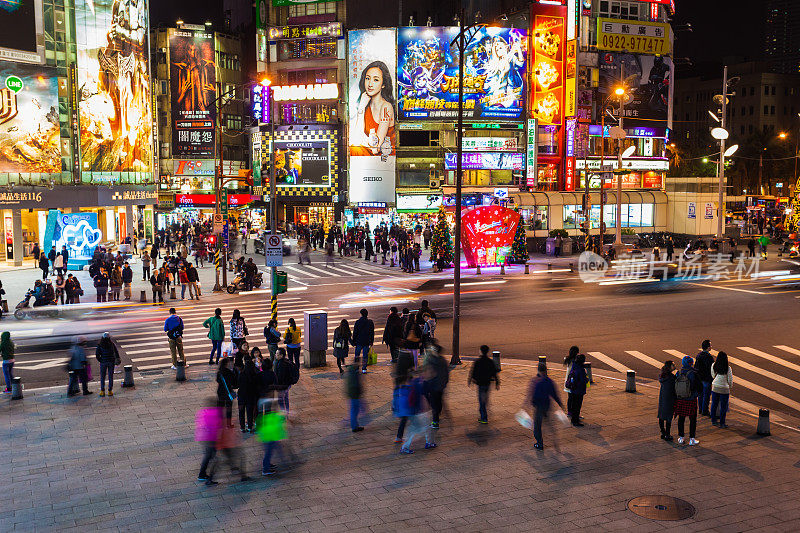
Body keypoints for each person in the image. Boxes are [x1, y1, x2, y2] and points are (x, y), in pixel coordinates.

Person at [528, 361, 564, 450]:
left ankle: (539, 443)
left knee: (537, 426)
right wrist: (560, 404)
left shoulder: (536, 381)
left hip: (539, 406)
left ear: (538, 370)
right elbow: (555, 394)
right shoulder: (550, 381)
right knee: (548, 422)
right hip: (547, 405)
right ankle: (555, 439)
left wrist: (532, 403)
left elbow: (534, 395)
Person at [398, 374, 436, 454]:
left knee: (424, 427)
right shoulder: (420, 384)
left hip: (413, 411)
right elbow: (423, 397)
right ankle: (405, 447)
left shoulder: (412, 384)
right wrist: (426, 408)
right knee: (418, 428)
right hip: (419, 411)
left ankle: (429, 442)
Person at [674, 355, 701, 446]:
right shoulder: (693, 373)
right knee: (692, 419)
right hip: (691, 398)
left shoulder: (679, 372)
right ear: (691, 363)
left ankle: (681, 438)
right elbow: (698, 386)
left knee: (681, 418)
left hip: (681, 399)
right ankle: (692, 439)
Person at [468, 345, 499, 424]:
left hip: (480, 383)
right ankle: (484, 411)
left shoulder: (478, 361)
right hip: (487, 383)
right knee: (484, 398)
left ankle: (484, 417)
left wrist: (471, 380)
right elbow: (494, 372)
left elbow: (473, 372)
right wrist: (497, 382)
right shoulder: (490, 361)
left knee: (481, 400)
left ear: (481, 351)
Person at [257, 399, 288, 476]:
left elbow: (257, 426)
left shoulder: (261, 416)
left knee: (269, 452)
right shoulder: (274, 416)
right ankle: (266, 470)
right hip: (271, 438)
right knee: (269, 453)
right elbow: (282, 419)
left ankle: (268, 465)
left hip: (265, 438)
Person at [196, 399, 224, 485]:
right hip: (211, 438)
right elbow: (216, 426)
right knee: (213, 458)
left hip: (205, 438)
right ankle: (205, 477)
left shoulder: (205, 412)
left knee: (208, 456)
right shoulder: (215, 413)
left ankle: (203, 474)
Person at [424, 343, 449, 429]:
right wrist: (445, 382)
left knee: (434, 403)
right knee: (439, 401)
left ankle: (435, 421)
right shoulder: (443, 360)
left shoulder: (431, 360)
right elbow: (446, 373)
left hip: (433, 385)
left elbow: (428, 372)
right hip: (441, 385)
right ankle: (437, 415)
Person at [710, 351, 733, 428]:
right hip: (724, 389)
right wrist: (730, 386)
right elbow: (730, 380)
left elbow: (713, 375)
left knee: (714, 404)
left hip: (715, 387)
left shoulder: (714, 365)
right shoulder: (728, 368)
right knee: (723, 407)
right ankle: (722, 423)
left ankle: (713, 421)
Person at [237, 357, 260, 433]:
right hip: (251, 396)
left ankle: (242, 427)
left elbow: (238, 384)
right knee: (250, 412)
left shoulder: (242, 374)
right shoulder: (255, 375)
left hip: (241, 396)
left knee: (241, 412)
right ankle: (250, 427)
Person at [565, 353, 588, 426]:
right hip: (579, 390)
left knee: (574, 405)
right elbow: (582, 381)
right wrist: (586, 379)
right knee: (577, 406)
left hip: (573, 389)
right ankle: (575, 421)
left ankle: (574, 419)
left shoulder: (574, 366)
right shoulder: (581, 370)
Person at [95, 332, 120, 397]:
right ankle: (110, 391)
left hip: (103, 362)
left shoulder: (100, 345)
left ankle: (102, 391)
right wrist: (117, 358)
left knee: (102, 377)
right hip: (111, 362)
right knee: (110, 376)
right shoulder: (112, 344)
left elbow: (97, 355)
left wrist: (100, 360)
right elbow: (116, 352)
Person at [658, 360, 677, 441]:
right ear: (670, 367)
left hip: (662, 397)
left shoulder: (662, 375)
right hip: (670, 398)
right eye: (673, 365)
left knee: (661, 415)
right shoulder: (671, 377)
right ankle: (668, 434)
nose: (675, 365)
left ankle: (663, 432)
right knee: (669, 416)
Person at [345, 356, 365, 432]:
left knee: (354, 410)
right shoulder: (354, 371)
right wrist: (359, 391)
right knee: (354, 410)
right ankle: (354, 427)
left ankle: (355, 425)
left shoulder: (352, 369)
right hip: (354, 393)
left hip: (352, 393)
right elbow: (355, 383)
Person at [216, 358, 238, 427]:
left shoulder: (219, 372)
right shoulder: (230, 372)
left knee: (220, 407)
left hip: (220, 391)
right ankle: (228, 424)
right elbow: (235, 383)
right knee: (229, 408)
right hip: (228, 392)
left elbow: (218, 380)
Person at [695, 339, 714, 416]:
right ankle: (705, 410)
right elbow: (711, 369)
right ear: (707, 347)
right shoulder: (709, 357)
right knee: (706, 396)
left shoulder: (699, 355)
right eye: (710, 345)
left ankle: (700, 409)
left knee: (700, 395)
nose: (711, 347)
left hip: (700, 379)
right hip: (706, 379)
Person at [352, 308, 375, 374]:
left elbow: (355, 332)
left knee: (357, 355)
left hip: (359, 341)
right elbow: (372, 333)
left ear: (361, 314)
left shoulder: (357, 322)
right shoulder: (370, 322)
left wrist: (354, 341)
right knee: (365, 356)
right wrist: (371, 341)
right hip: (366, 341)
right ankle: (364, 369)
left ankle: (356, 368)